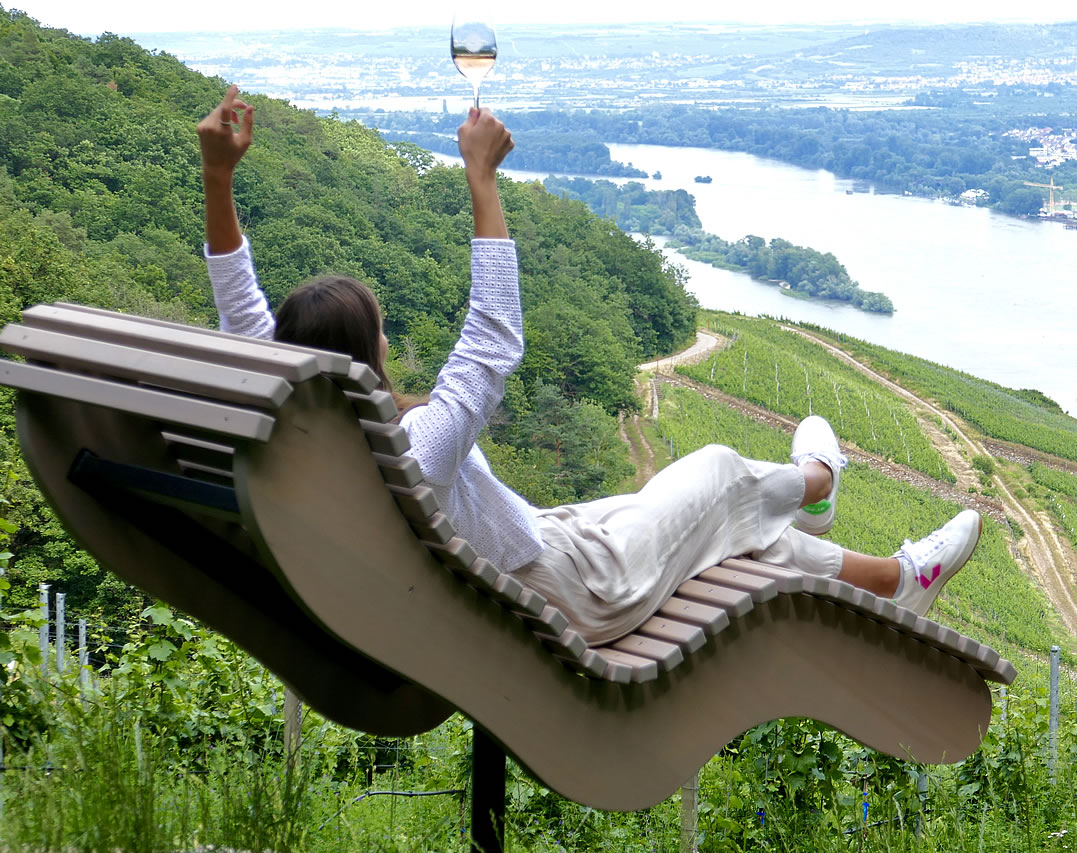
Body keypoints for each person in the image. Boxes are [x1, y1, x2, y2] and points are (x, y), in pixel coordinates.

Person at [197, 86, 983, 646]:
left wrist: (219, 179)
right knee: (713, 471)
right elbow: (492, 338)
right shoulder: (412, 448)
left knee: (737, 533)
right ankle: (818, 480)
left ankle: (893, 580)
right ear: (367, 355)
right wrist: (481, 180)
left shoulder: (298, 432)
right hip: (576, 591)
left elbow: (244, 315)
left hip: (534, 552)